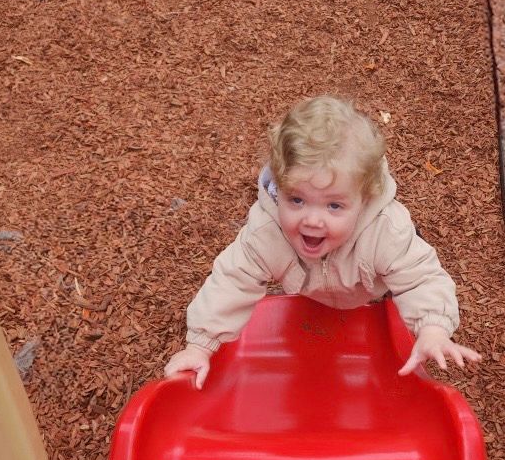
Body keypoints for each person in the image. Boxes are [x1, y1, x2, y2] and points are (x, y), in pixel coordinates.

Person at [164, 95, 481, 389]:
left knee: (402, 264)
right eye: (297, 199)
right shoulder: (268, 231)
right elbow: (232, 280)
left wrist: (433, 329)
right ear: (279, 187)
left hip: (370, 280)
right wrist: (200, 345)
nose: (312, 220)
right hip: (315, 285)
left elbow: (421, 278)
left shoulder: (385, 230)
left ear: (364, 197)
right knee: (264, 257)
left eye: (334, 205)